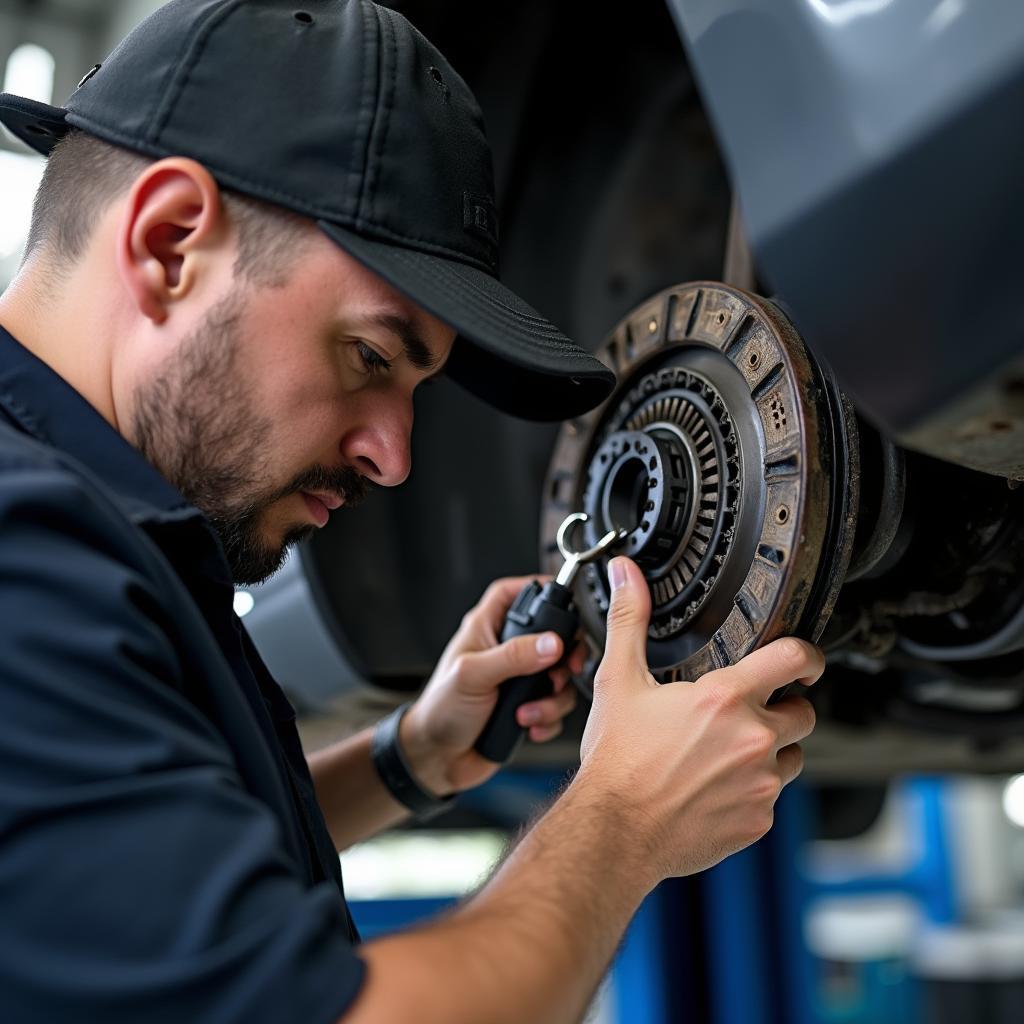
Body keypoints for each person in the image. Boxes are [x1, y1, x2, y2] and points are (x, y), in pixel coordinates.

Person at [0, 1, 823, 1021]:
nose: (392, 459)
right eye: (370, 357)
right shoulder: (23, 555)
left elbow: (139, 875)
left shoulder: (97, 531)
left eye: (412, 388)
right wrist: (622, 817)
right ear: (169, 244)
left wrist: (410, 757)